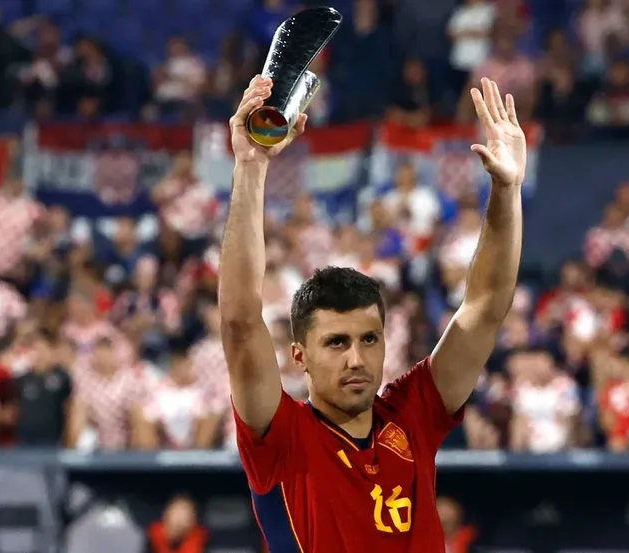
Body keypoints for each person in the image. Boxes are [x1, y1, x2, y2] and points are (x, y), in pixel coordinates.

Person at [218, 75, 525, 552]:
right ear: (299, 356)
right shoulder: (282, 436)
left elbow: (485, 307)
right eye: (336, 342)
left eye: (369, 339)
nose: (357, 359)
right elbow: (240, 323)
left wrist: (507, 190)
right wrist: (251, 167)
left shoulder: (412, 413)